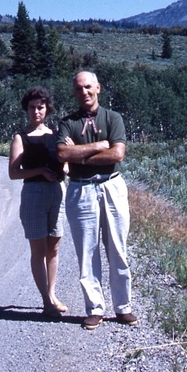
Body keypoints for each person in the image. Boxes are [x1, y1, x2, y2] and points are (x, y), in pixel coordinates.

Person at [56, 71, 137, 330]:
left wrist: (77, 154)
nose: (85, 92)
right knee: (87, 250)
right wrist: (100, 145)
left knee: (117, 247)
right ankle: (94, 308)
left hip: (111, 185)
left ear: (98, 88)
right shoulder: (67, 123)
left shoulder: (113, 118)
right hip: (80, 189)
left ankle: (123, 307)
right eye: (79, 88)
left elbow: (118, 154)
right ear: (74, 92)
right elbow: (61, 153)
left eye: (88, 87)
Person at [8, 86, 68, 318]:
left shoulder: (56, 135)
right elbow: (14, 173)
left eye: (40, 107)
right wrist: (40, 171)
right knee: (38, 248)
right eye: (32, 107)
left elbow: (66, 163)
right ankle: (46, 301)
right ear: (26, 109)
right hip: (33, 194)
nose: (36, 111)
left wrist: (66, 162)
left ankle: (52, 295)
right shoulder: (20, 138)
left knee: (54, 246)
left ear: (47, 109)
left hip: (56, 192)